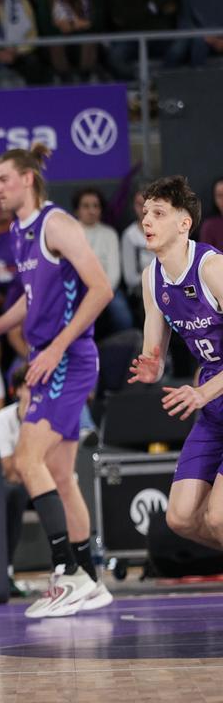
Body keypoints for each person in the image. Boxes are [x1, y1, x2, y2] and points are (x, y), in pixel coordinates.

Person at [0, 142, 113, 618]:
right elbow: (30, 301)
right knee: (60, 475)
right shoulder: (19, 231)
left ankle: (67, 572)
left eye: (2, 180)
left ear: (27, 180)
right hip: (46, 358)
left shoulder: (57, 224)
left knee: (26, 458)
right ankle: (91, 580)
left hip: (69, 358)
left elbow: (101, 289)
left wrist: (57, 347)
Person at [129, 177, 223, 555]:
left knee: (218, 517)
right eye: (145, 213)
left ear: (184, 223)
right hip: (214, 404)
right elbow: (154, 347)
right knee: (181, 519)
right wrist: (152, 367)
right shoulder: (152, 278)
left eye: (158, 213)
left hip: (211, 390)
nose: (146, 221)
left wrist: (202, 390)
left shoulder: (211, 267)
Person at [0, 363, 39, 591]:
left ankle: (71, 568)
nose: (36, 394)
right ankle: (7, 570)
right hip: (1, 484)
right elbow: (11, 473)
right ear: (18, 391)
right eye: (31, 387)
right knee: (13, 492)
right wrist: (29, 426)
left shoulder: (56, 417)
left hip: (41, 480)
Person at [73, 187, 132, 335]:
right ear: (77, 210)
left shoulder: (109, 234)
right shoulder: (69, 232)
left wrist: (101, 292)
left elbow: (114, 273)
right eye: (86, 206)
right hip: (76, 286)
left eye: (96, 206)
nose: (91, 210)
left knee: (124, 318)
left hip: (106, 286)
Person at [37, 0, 102, 82]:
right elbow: (46, 28)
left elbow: (96, 24)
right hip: (57, 43)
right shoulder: (46, 0)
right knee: (56, 44)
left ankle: (85, 79)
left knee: (89, 41)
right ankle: (65, 80)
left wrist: (70, 25)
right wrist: (77, 25)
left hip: (83, 43)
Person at [120, 190, 155, 307]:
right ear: (134, 206)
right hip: (140, 291)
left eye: (147, 204)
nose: (144, 209)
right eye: (139, 204)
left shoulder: (166, 230)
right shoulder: (130, 235)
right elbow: (130, 278)